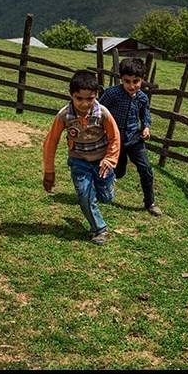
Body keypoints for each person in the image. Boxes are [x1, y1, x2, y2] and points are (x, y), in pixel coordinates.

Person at [43, 70, 121, 245]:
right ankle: (99, 229)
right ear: (71, 95)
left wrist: (110, 159)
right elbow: (51, 142)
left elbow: (115, 137)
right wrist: (49, 171)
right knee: (85, 195)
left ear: (96, 96)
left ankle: (108, 184)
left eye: (90, 99)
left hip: (102, 162)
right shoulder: (64, 115)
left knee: (106, 198)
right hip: (79, 161)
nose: (85, 104)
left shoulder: (103, 113)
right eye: (79, 99)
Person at [99, 58, 160, 216]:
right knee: (118, 172)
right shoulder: (112, 93)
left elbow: (145, 114)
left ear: (142, 80)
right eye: (127, 81)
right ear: (121, 79)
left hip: (134, 139)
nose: (132, 86)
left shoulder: (142, 98)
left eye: (136, 81)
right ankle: (102, 188)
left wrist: (146, 126)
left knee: (145, 169)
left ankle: (150, 202)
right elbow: (99, 110)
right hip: (115, 139)